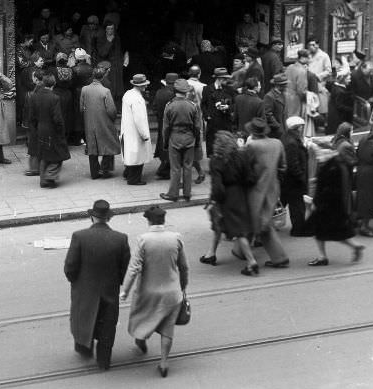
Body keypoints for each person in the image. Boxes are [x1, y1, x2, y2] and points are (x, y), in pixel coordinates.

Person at [120, 205, 189, 378]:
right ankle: (164, 363)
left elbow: (134, 268)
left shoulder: (143, 239)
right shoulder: (176, 238)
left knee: (141, 316)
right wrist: (182, 286)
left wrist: (125, 291)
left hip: (148, 292)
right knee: (168, 328)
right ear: (164, 220)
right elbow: (184, 267)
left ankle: (141, 339)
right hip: (172, 293)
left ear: (148, 221)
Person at [64, 199, 131, 371]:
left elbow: (70, 266)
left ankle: (84, 347)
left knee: (83, 319)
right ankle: (104, 360)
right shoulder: (121, 239)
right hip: (109, 289)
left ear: (92, 218)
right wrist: (116, 282)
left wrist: (76, 282)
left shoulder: (79, 236)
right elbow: (124, 266)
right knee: (108, 325)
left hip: (84, 290)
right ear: (108, 218)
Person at [199, 130, 258, 275]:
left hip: (226, 198)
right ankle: (210, 254)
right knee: (220, 224)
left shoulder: (216, 160)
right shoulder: (241, 156)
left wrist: (214, 199)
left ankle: (251, 262)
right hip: (239, 194)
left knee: (237, 230)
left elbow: (217, 186)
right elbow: (250, 178)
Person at [245, 117, 290, 268]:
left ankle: (279, 257)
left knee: (259, 219)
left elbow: (245, 168)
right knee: (262, 218)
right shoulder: (277, 143)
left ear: (252, 132)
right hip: (273, 186)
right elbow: (283, 166)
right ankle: (243, 248)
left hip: (256, 188)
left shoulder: (252, 146)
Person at [306, 151, 364, 266]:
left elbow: (327, 187)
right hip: (335, 206)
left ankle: (323, 257)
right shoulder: (338, 164)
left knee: (321, 231)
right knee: (335, 232)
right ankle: (354, 246)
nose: (318, 157)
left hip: (326, 206)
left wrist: (316, 202)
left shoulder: (330, 167)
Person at [160, 78, 201, 203]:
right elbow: (197, 127)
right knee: (188, 167)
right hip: (189, 139)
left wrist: (166, 142)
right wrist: (197, 141)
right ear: (186, 92)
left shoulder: (169, 106)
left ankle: (173, 194)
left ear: (175, 90)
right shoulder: (192, 106)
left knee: (175, 168)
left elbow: (166, 128)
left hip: (174, 138)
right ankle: (187, 193)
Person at [29, 72, 69, 188]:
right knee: (58, 155)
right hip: (52, 130)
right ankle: (50, 177)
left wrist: (36, 128)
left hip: (40, 129)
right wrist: (61, 131)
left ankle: (43, 180)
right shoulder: (54, 98)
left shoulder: (34, 96)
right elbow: (58, 119)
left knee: (44, 155)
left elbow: (31, 117)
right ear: (54, 84)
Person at [80, 67, 119, 180]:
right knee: (109, 143)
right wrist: (112, 119)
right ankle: (105, 169)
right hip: (104, 122)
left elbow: (81, 108)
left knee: (92, 147)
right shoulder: (105, 91)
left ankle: (94, 173)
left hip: (89, 122)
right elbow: (111, 110)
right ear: (103, 77)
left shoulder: (84, 89)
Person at [120, 73, 153, 185]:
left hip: (128, 130)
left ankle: (128, 173)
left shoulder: (128, 94)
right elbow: (139, 120)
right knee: (137, 157)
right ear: (139, 86)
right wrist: (144, 135)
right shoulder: (137, 99)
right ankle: (134, 179)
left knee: (131, 155)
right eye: (144, 84)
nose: (146, 86)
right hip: (136, 132)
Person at [280, 115, 309, 237]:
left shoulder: (287, 138)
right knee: (297, 206)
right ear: (297, 128)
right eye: (301, 127)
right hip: (293, 181)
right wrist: (301, 178)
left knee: (282, 203)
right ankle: (298, 229)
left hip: (287, 181)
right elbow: (293, 164)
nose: (302, 129)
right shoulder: (292, 143)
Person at [202, 67, 236, 157]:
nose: (227, 81)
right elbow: (203, 105)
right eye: (225, 79)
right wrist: (207, 116)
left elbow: (235, 104)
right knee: (212, 146)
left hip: (225, 121)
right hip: (213, 122)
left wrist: (228, 107)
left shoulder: (230, 90)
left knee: (226, 146)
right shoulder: (207, 89)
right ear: (219, 79)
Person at [152, 73, 178, 181]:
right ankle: (164, 170)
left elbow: (154, 108)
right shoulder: (176, 94)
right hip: (173, 125)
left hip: (162, 123)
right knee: (171, 147)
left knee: (163, 145)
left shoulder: (159, 92)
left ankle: (164, 168)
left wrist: (159, 117)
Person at [96, 21, 128, 104]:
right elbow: (102, 53)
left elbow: (119, 51)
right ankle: (109, 106)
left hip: (117, 65)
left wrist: (124, 59)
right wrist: (109, 42)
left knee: (119, 88)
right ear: (105, 30)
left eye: (112, 29)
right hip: (107, 67)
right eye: (108, 29)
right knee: (110, 88)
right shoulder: (101, 38)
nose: (111, 30)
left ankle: (118, 107)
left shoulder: (117, 38)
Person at [51, 52, 76, 143]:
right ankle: (66, 138)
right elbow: (72, 83)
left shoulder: (54, 71)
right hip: (68, 94)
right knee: (67, 116)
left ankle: (58, 138)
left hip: (57, 94)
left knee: (58, 115)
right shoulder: (70, 70)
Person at [71, 48, 94, 146]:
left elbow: (72, 83)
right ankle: (87, 137)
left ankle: (77, 139)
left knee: (77, 115)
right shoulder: (91, 68)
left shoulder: (74, 69)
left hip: (77, 93)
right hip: (88, 93)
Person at [306, 37, 332, 120]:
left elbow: (329, 71)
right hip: (308, 84)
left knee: (320, 107)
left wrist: (317, 76)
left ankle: (321, 123)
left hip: (319, 84)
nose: (312, 47)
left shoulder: (324, 56)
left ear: (318, 45)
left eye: (314, 44)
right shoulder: (307, 55)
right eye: (310, 45)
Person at [23, 68, 43, 176]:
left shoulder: (33, 93)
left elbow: (31, 113)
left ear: (35, 79)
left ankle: (35, 168)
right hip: (42, 123)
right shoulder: (44, 89)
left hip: (36, 124)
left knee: (34, 146)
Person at [285, 48, 310, 118]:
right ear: (302, 58)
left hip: (285, 97)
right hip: (295, 100)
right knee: (294, 122)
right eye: (308, 58)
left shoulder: (289, 67)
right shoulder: (302, 71)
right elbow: (302, 90)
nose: (309, 60)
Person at [263, 72, 288, 139]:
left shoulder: (282, 94)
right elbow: (267, 114)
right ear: (278, 85)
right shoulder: (269, 96)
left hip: (282, 128)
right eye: (284, 84)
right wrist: (277, 126)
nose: (286, 86)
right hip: (275, 131)